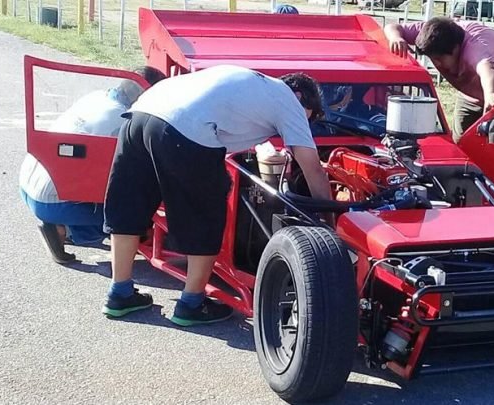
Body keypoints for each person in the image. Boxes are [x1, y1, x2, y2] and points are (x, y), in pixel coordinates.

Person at [101, 65, 332, 327]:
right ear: (300, 96)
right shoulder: (289, 100)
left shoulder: (252, 85)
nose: (306, 125)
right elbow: (313, 169)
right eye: (310, 118)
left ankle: (119, 293)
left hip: (141, 115)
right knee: (206, 216)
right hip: (183, 127)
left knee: (129, 206)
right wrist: (328, 224)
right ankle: (192, 304)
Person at [19, 66, 166, 264]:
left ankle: (64, 226)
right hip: (51, 200)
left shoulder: (96, 97)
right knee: (131, 217)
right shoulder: (123, 119)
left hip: (29, 182)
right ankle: (65, 230)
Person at [384, 17, 494, 143]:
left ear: (456, 49)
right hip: (471, 93)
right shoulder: (433, 33)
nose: (436, 64)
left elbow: (487, 69)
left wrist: (491, 94)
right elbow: (393, 27)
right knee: (461, 143)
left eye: (439, 59)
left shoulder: (476, 49)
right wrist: (396, 38)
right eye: (432, 59)